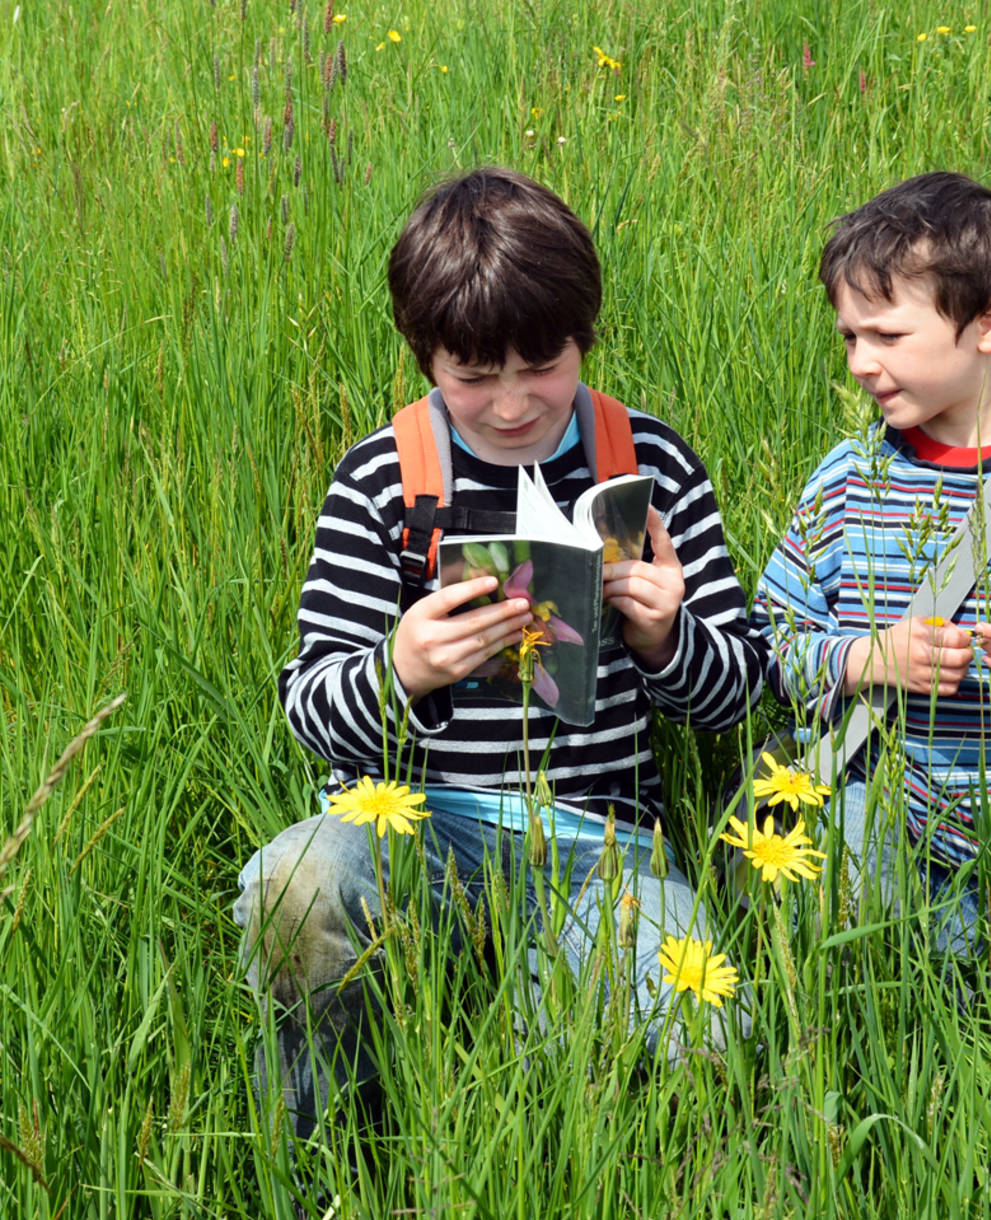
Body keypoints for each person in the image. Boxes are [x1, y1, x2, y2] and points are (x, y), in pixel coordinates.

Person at [234, 167, 765, 1140]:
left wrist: (664, 637)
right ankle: (329, 1147)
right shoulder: (381, 479)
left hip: (601, 844)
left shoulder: (649, 462)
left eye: (542, 365)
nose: (514, 403)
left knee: (697, 1035)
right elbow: (309, 705)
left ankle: (569, 1084)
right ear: (425, 358)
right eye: (475, 376)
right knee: (295, 886)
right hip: (412, 827)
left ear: (584, 337)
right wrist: (405, 667)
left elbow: (737, 696)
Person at [752, 171, 991, 952]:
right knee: (851, 870)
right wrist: (863, 658)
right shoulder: (847, 480)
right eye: (849, 337)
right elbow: (766, 646)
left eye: (886, 336)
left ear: (984, 326)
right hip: (878, 811)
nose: (860, 361)